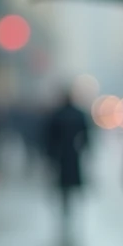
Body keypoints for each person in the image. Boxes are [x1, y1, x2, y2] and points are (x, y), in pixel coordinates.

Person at [44, 87, 90, 222]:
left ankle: (67, 209)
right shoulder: (78, 114)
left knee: (64, 184)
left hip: (62, 155)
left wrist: (50, 154)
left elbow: (49, 137)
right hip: (72, 154)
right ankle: (69, 209)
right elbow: (86, 135)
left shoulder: (57, 114)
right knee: (71, 183)